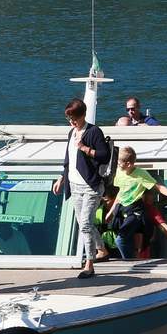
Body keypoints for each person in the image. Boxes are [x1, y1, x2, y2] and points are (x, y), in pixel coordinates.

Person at [52, 98, 111, 279]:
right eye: (69, 119)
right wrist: (61, 179)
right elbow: (68, 159)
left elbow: (104, 155)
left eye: (74, 119)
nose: (72, 122)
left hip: (91, 186)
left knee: (85, 224)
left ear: (83, 115)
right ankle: (102, 249)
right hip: (74, 184)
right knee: (84, 224)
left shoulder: (94, 132)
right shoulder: (71, 133)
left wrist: (84, 148)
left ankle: (89, 264)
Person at [105, 146, 167, 260]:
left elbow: (158, 187)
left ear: (128, 164)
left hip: (135, 211)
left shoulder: (141, 174)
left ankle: (128, 261)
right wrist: (111, 212)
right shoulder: (119, 172)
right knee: (120, 236)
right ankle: (129, 257)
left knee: (120, 239)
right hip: (122, 209)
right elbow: (121, 193)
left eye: (119, 162)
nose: (117, 164)